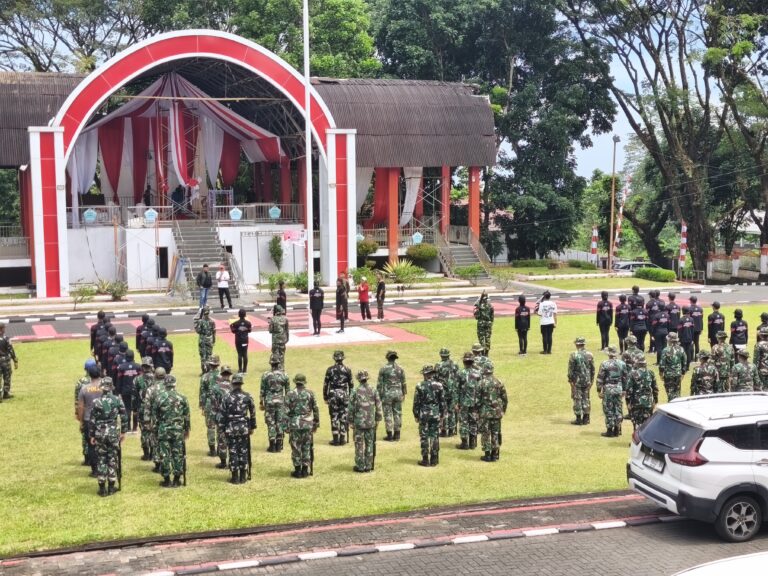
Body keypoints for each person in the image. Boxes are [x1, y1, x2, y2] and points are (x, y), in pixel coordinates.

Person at [89, 377, 128, 496]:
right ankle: (111, 486)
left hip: (100, 433)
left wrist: (92, 435)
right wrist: (123, 432)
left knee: (101, 459)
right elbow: (124, 417)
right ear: (111, 387)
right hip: (112, 433)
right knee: (112, 459)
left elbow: (92, 420)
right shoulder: (117, 400)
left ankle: (102, 488)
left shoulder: (96, 402)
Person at [152, 374, 190, 488]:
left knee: (164, 455)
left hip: (164, 430)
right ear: (175, 384)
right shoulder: (182, 397)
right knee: (178, 454)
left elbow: (155, 417)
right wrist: (187, 430)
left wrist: (155, 430)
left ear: (165, 384)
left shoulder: (159, 398)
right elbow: (186, 416)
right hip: (178, 430)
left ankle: (167, 480)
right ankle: (177, 480)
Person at [221, 373, 256, 484]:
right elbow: (253, 412)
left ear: (233, 383)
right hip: (243, 427)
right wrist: (252, 426)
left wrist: (222, 428)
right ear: (241, 384)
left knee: (233, 451)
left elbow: (222, 414)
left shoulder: (226, 396)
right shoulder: (247, 396)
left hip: (231, 427)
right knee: (243, 451)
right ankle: (243, 476)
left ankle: (235, 477)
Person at [348, 370, 384, 473]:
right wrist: (378, 419)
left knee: (359, 444)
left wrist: (350, 421)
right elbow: (378, 406)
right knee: (370, 444)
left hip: (358, 423)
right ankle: (368, 465)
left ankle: (360, 466)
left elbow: (350, 407)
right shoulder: (373, 390)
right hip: (370, 422)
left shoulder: (355, 391)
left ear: (359, 379)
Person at [285, 373, 320, 478]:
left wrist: (285, 427)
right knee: (306, 446)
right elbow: (315, 409)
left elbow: (285, 411)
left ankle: (297, 470)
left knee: (296, 447)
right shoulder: (310, 393)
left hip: (295, 424)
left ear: (295, 382)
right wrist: (316, 423)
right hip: (307, 423)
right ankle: (305, 470)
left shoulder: (290, 394)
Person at [413, 365, 447, 467]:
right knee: (434, 436)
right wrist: (442, 415)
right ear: (432, 374)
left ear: (425, 374)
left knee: (424, 437)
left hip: (424, 414)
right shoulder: (439, 385)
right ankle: (434, 459)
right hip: (435, 414)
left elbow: (416, 403)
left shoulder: (420, 385)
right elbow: (443, 402)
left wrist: (416, 415)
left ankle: (425, 460)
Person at [76, 362, 104, 475]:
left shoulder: (84, 389)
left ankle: (95, 469)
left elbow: (81, 407)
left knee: (91, 445)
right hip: (103, 419)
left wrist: (81, 421)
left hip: (89, 420)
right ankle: (104, 467)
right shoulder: (105, 387)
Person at [478, 360, 508, 462]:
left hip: (485, 413)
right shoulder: (498, 382)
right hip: (496, 413)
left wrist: (478, 411)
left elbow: (477, 399)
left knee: (486, 433)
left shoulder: (481, 383)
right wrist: (503, 410)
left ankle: (487, 455)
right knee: (496, 432)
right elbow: (505, 399)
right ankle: (495, 454)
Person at [323, 350, 354, 446]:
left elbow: (325, 384)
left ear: (334, 358)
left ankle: (335, 439)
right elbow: (351, 385)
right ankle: (342, 439)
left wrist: (325, 396)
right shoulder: (347, 370)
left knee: (334, 416)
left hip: (333, 395)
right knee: (343, 416)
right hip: (344, 395)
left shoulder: (330, 370)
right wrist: (350, 397)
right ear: (343, 358)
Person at [596, 346, 628, 438]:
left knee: (608, 409)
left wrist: (599, 390)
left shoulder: (604, 364)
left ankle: (610, 430)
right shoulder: (622, 363)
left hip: (608, 389)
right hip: (618, 388)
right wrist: (624, 389)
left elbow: (600, 378)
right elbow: (625, 378)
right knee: (618, 408)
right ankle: (617, 429)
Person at [260, 355, 290, 453]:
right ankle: (279, 445)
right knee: (279, 422)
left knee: (271, 422)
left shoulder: (265, 375)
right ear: (278, 363)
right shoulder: (284, 375)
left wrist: (261, 402)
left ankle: (272, 445)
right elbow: (288, 392)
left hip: (269, 401)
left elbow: (262, 391)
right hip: (281, 401)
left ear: (270, 363)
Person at [377, 350, 407, 441]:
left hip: (387, 394)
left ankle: (389, 435)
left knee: (388, 414)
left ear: (387, 358)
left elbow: (379, 384)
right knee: (397, 413)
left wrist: (378, 396)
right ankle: (397, 434)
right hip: (398, 394)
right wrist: (404, 394)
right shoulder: (400, 369)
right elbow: (404, 383)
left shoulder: (383, 369)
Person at [455, 352, 481, 450]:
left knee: (464, 422)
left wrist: (456, 403)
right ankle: (473, 443)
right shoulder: (478, 373)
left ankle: (464, 443)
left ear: (464, 362)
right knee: (474, 421)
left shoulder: (460, 373)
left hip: (463, 402)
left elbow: (456, 389)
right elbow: (481, 389)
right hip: (475, 402)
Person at [210, 365, 234, 469]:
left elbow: (213, 406)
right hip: (233, 418)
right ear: (229, 374)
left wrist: (214, 418)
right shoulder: (234, 387)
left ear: (221, 373)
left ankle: (223, 462)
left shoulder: (215, 388)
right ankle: (233, 460)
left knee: (222, 439)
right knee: (233, 439)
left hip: (221, 418)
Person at [624, 357, 658, 431]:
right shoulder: (651, 373)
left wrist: (628, 402)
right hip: (648, 402)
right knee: (647, 423)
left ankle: (636, 441)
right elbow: (655, 388)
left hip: (636, 402)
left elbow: (629, 389)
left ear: (637, 364)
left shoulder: (633, 373)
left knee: (636, 422)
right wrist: (655, 400)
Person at [568, 337, 595, 425]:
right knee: (586, 398)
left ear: (577, 344)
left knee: (577, 399)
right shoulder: (590, 354)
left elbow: (570, 369)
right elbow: (592, 369)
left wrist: (570, 380)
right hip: (587, 380)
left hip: (577, 381)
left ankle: (578, 418)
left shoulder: (573, 355)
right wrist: (591, 380)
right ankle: (586, 418)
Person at [132, 357, 155, 460]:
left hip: (142, 408)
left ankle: (146, 453)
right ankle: (153, 453)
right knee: (154, 431)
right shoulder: (157, 378)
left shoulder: (137, 379)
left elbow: (134, 397)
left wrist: (134, 410)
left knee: (144, 432)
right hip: (154, 409)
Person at [199, 355, 221, 456]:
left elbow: (202, 393)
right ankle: (222, 448)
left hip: (209, 403)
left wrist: (202, 406)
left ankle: (212, 450)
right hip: (221, 404)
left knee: (211, 427)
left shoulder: (205, 377)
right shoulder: (223, 375)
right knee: (221, 427)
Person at [435, 348, 459, 437]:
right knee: (452, 410)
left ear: (441, 355)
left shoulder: (438, 365)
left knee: (444, 411)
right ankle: (452, 430)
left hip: (443, 391)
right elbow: (458, 377)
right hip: (453, 391)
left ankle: (444, 430)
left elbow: (435, 379)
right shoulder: (455, 365)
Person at [117, 350, 140, 432]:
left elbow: (119, 380)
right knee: (136, 408)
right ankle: (134, 427)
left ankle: (128, 427)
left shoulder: (121, 367)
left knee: (127, 408)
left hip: (125, 391)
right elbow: (140, 379)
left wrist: (118, 391)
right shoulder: (138, 366)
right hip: (136, 391)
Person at [659, 333, 687, 401]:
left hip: (669, 375)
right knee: (677, 393)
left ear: (669, 340)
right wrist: (683, 373)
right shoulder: (681, 349)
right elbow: (685, 362)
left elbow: (662, 364)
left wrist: (661, 374)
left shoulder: (665, 350)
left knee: (670, 394)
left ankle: (672, 408)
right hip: (678, 374)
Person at [194, 306, 216, 374]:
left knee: (203, 356)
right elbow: (214, 332)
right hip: (209, 340)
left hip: (202, 340)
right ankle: (209, 370)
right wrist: (214, 340)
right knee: (209, 355)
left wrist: (196, 324)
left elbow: (198, 331)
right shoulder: (212, 321)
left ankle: (204, 371)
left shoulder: (200, 321)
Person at [230, 309, 252, 373]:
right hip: (245, 340)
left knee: (239, 354)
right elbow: (250, 330)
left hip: (238, 340)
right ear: (245, 315)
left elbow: (233, 330)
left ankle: (240, 369)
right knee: (245, 354)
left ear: (238, 315)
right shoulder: (248, 323)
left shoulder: (235, 323)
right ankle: (245, 370)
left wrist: (238, 330)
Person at [0, 323, 18, 400]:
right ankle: (6, 393)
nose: (5, 329)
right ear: (1, 329)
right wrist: (15, 360)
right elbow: (11, 350)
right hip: (5, 361)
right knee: (7, 376)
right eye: (4, 328)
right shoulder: (6, 339)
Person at [268, 305, 289, 370]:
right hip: (283, 339)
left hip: (275, 340)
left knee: (275, 353)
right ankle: (282, 367)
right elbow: (287, 330)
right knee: (282, 354)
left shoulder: (273, 319)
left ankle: (275, 368)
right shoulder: (285, 319)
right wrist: (287, 338)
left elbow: (270, 330)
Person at [474, 291, 495, 355]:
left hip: (481, 323)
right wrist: (490, 322)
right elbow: (492, 317)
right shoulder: (490, 305)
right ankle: (487, 353)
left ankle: (482, 352)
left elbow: (476, 316)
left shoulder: (479, 305)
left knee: (481, 338)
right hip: (488, 323)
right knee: (487, 338)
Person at [753, 327, 768, 392]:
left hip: (762, 370)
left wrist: (754, 372)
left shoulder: (758, 345)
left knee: (763, 390)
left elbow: (756, 360)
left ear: (761, 335)